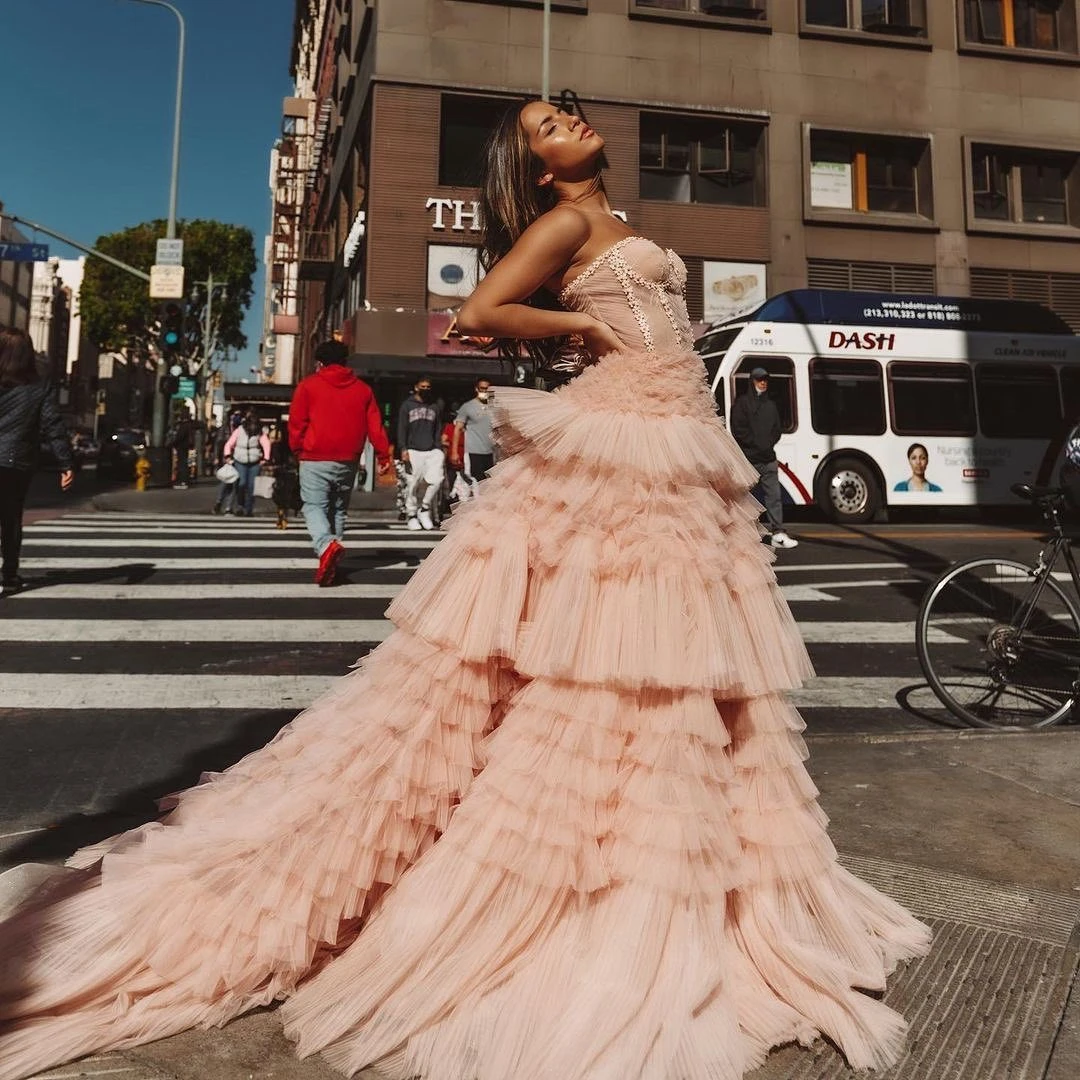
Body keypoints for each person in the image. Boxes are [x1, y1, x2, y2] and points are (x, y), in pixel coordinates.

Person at [0, 101, 930, 1080]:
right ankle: (598, 887)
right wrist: (581, 324)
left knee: (664, 656)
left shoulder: (611, 223)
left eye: (565, 112)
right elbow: (482, 313)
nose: (567, 120)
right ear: (537, 169)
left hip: (672, 433)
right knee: (614, 656)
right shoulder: (565, 222)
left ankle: (665, 868)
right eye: (545, 126)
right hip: (626, 440)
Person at [288, 339, 391, 586]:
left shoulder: (308, 386)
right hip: (348, 458)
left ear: (320, 362)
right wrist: (383, 455)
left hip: (315, 456)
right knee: (337, 509)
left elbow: (297, 422)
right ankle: (332, 560)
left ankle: (326, 546)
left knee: (314, 506)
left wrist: (297, 448)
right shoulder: (363, 390)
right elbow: (375, 426)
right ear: (345, 362)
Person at [0, 327, 73, 597]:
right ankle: (9, 575)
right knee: (10, 519)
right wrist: (65, 462)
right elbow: (53, 426)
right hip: (15, 462)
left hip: (13, 459)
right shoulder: (39, 388)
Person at [729, 367, 799, 549]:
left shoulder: (771, 405)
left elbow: (777, 430)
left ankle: (778, 532)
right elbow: (738, 429)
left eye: (765, 380)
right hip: (749, 459)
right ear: (752, 382)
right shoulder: (742, 404)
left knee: (774, 496)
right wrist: (756, 444)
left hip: (768, 459)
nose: (763, 383)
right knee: (745, 498)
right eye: (760, 380)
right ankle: (744, 533)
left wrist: (767, 444)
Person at [397, 376, 443, 531]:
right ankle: (411, 515)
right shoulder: (407, 405)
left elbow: (438, 429)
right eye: (422, 386)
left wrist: (438, 448)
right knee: (412, 484)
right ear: (416, 387)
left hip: (432, 449)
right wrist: (403, 448)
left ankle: (424, 509)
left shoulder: (435, 406)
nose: (425, 389)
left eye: (428, 387)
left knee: (436, 480)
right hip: (413, 449)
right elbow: (402, 428)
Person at [452, 378, 495, 497]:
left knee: (490, 483)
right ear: (476, 389)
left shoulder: (494, 407)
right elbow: (457, 429)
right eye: (482, 389)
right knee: (476, 481)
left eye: (487, 389)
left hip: (491, 451)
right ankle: (475, 507)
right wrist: (454, 452)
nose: (485, 391)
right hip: (474, 451)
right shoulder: (468, 406)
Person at [222, 414, 270, 518]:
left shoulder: (259, 432)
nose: (253, 427)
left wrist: (266, 458)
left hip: (254, 461)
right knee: (241, 484)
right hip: (240, 460)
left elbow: (266, 444)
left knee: (252, 486)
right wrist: (227, 456)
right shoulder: (239, 430)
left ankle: (249, 509)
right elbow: (229, 443)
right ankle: (240, 506)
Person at [168, 410, 194, 489]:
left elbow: (180, 437)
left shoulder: (183, 426)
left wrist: (172, 443)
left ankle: (183, 481)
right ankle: (185, 481)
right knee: (184, 463)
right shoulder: (190, 425)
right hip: (186, 446)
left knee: (182, 464)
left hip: (181, 447)